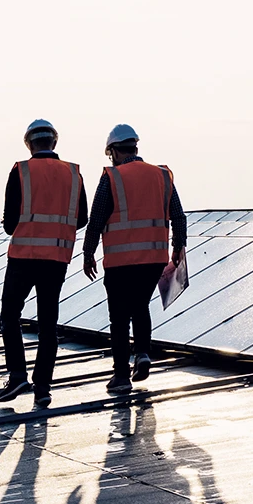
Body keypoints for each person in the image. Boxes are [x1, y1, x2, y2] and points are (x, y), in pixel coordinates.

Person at [81, 123, 187, 393]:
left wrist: (88, 252)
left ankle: (120, 376)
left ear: (114, 151)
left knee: (119, 316)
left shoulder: (112, 177)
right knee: (140, 305)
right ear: (135, 146)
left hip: (120, 261)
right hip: (153, 259)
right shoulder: (162, 176)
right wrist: (178, 246)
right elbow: (178, 215)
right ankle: (142, 353)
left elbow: (96, 220)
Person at [0, 118, 87, 410]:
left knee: (10, 314)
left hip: (23, 257)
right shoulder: (74, 174)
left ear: (29, 143)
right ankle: (43, 388)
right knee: (48, 323)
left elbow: (10, 224)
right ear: (54, 142)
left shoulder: (21, 171)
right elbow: (82, 219)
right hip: (56, 259)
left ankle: (17, 374)